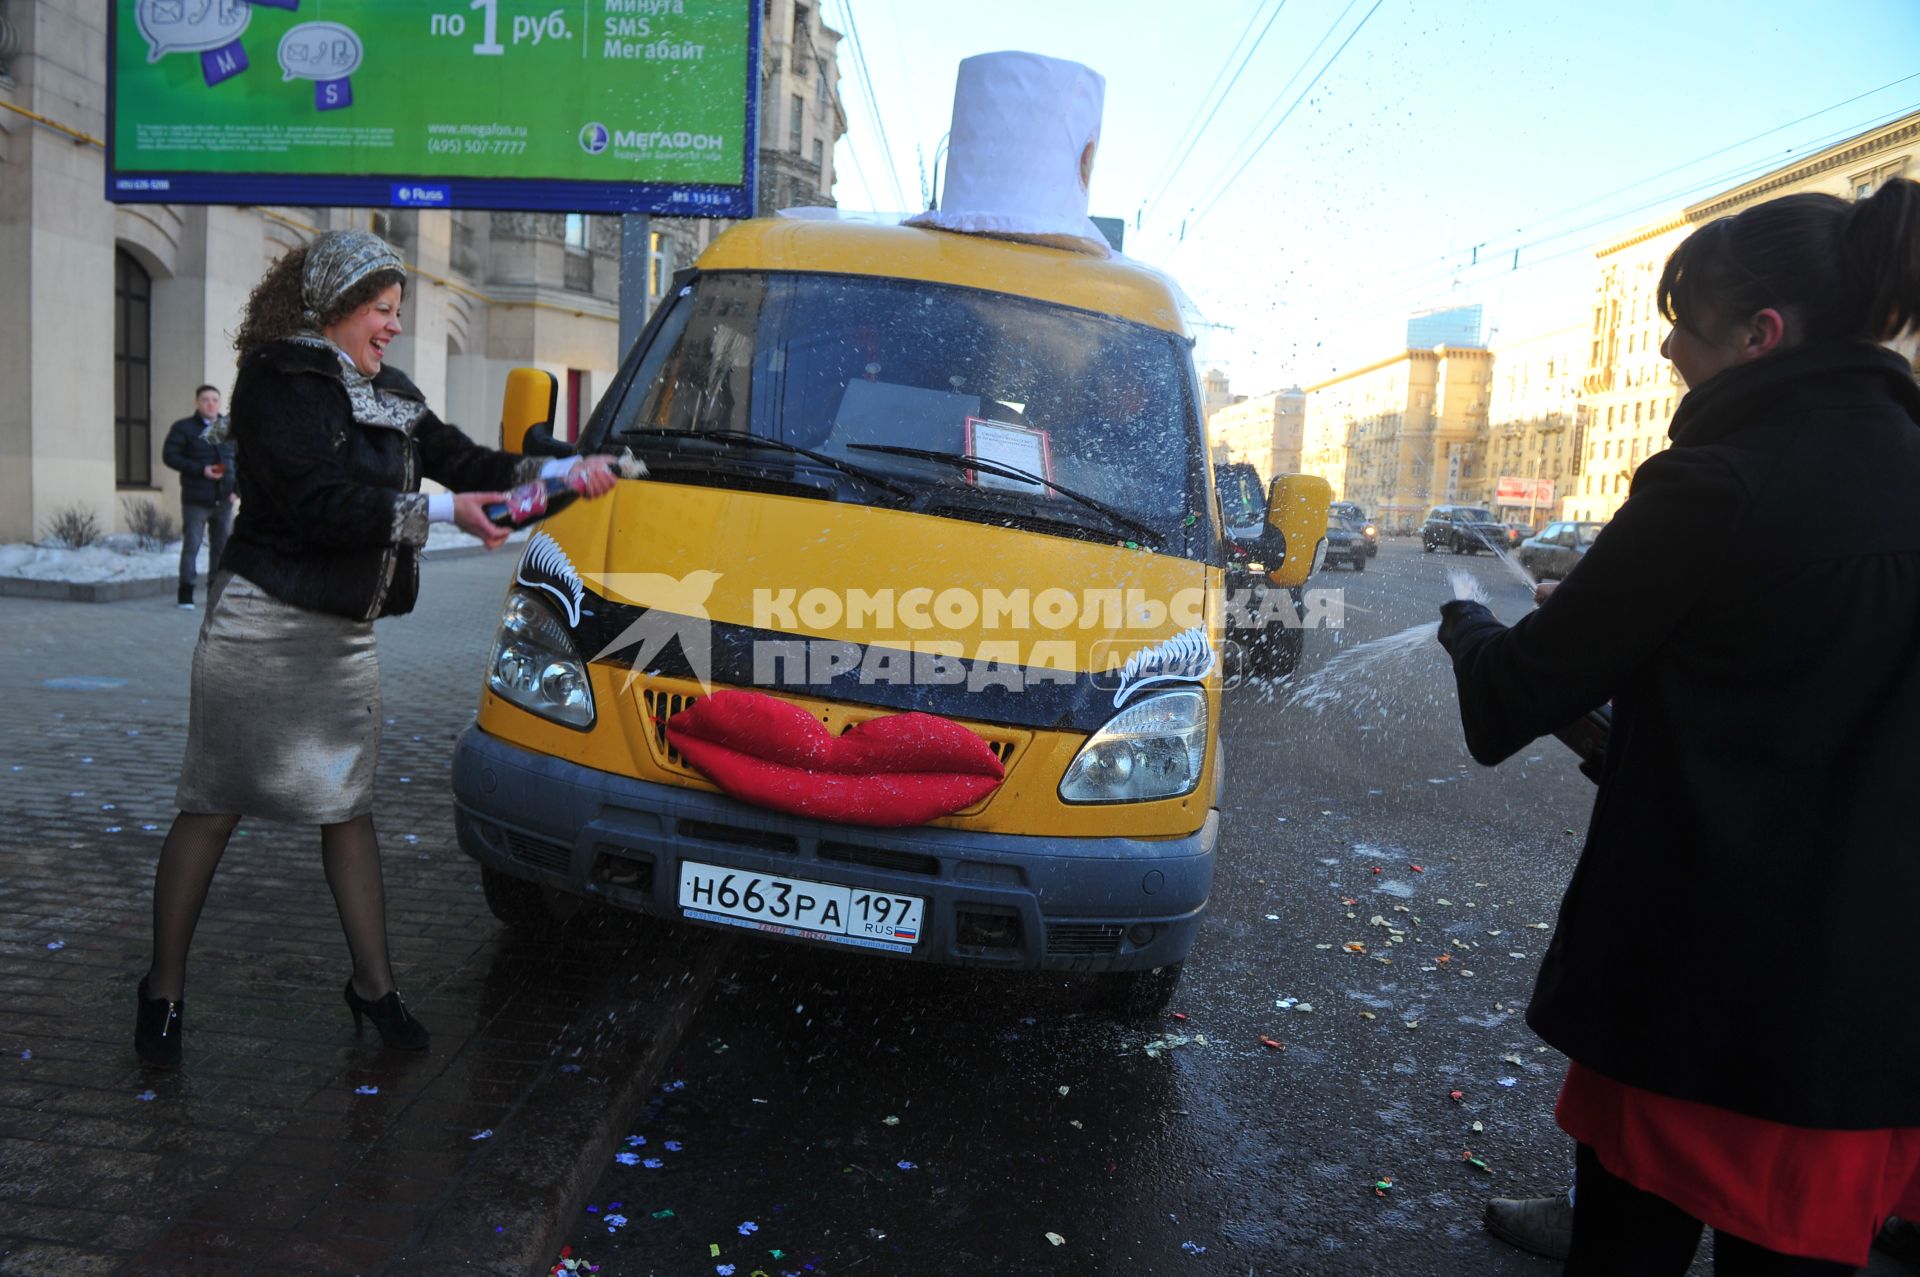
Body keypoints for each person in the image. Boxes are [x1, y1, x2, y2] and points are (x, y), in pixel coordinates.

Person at [1436, 179, 1920, 1274]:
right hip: (1868, 1017)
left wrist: (1471, 626)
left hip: (1701, 991)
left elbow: (1511, 696)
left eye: (1684, 328)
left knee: (1628, 1246)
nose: (1663, 353)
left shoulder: (1716, 483)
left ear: (1762, 334)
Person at [134, 229, 621, 1070]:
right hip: (261, 622)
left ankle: (375, 985)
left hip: (343, 637)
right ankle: (163, 987)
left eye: (398, 311)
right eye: (380, 310)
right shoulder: (277, 379)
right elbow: (315, 502)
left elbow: (461, 459)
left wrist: (562, 475)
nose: (392, 326)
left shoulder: (389, 391)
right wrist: (439, 514)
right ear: (334, 305)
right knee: (213, 802)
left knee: (348, 808)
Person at [161, 384, 238, 609]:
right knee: (192, 545)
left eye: (215, 399)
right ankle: (186, 594)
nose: (211, 403)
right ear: (197, 402)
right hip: (196, 499)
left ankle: (216, 594)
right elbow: (170, 456)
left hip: (225, 498)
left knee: (221, 548)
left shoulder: (230, 428)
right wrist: (200, 469)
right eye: (205, 399)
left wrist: (237, 491)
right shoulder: (183, 428)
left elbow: (243, 460)